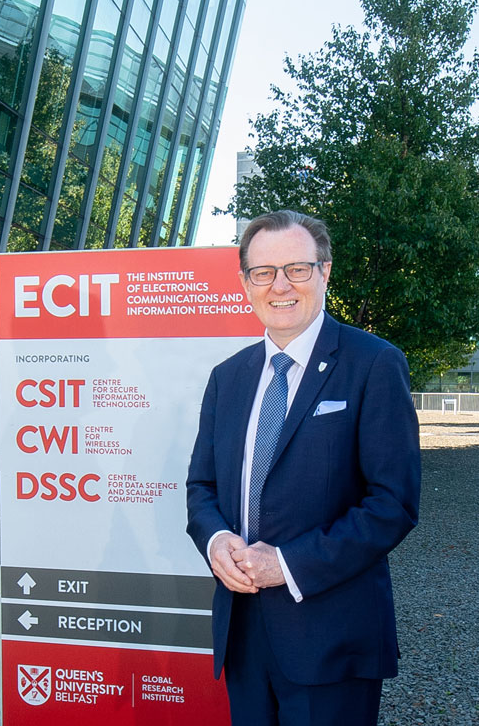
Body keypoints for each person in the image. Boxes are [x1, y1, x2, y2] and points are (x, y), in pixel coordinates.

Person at [185, 210, 421, 724]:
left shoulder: (373, 363)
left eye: (296, 268)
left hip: (330, 635)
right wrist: (216, 540)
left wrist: (288, 564)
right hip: (242, 630)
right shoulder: (228, 377)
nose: (280, 286)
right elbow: (201, 486)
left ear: (324, 271)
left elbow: (393, 504)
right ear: (245, 282)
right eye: (263, 272)